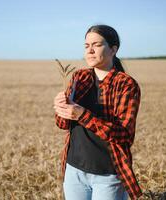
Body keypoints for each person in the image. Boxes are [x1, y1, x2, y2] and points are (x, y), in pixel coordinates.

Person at [53, 25, 143, 200]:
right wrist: (61, 108)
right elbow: (63, 124)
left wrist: (82, 114)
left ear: (113, 49)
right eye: (86, 46)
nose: (90, 51)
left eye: (97, 45)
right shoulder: (79, 78)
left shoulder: (126, 85)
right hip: (75, 170)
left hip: (108, 175)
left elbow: (124, 135)